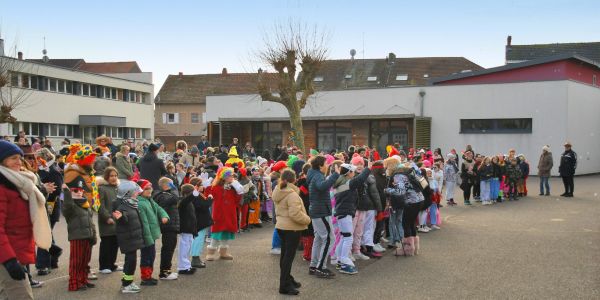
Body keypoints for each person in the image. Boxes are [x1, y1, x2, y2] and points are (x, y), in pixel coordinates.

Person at [0, 141, 52, 299]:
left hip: (17, 250)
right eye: (13, 158)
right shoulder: (3, 187)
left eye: (20, 158)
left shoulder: (20, 181)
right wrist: (9, 260)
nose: (19, 162)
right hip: (7, 255)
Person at [273, 169, 310, 295]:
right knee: (288, 257)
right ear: (294, 180)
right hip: (292, 228)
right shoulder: (292, 194)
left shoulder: (279, 190)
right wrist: (307, 220)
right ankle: (284, 285)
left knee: (285, 256)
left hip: (282, 226)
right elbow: (295, 214)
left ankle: (287, 279)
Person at [333, 162, 372, 275]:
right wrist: (368, 168)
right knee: (348, 238)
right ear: (348, 173)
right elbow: (359, 180)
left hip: (343, 213)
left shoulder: (341, 183)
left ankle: (340, 259)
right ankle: (344, 260)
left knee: (344, 237)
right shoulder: (345, 184)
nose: (354, 173)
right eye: (352, 171)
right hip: (345, 213)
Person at [307, 156, 340, 278]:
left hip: (318, 211)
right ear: (320, 165)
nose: (328, 166)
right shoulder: (318, 175)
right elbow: (322, 186)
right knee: (329, 238)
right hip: (320, 212)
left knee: (319, 239)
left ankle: (314, 265)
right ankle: (321, 267)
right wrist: (335, 175)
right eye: (326, 163)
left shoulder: (314, 174)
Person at [62, 179, 97, 292]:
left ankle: (83, 280)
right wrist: (66, 193)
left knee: (84, 261)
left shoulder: (85, 204)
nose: (78, 192)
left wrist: (93, 235)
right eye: (75, 190)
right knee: (76, 262)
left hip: (87, 236)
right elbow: (67, 206)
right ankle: (74, 283)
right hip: (77, 237)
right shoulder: (70, 205)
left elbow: (91, 223)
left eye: (80, 190)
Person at [113, 181, 145, 294]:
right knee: (131, 261)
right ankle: (127, 284)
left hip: (132, 238)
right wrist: (121, 217)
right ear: (128, 193)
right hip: (128, 238)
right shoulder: (122, 206)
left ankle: (127, 281)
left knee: (130, 261)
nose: (137, 194)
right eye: (135, 192)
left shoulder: (131, 203)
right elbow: (124, 221)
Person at [204, 167, 243, 261]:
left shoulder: (232, 188)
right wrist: (206, 187)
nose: (232, 177)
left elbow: (237, 201)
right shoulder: (216, 187)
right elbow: (208, 195)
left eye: (232, 175)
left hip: (230, 213)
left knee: (226, 233)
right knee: (217, 234)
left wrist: (239, 192)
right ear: (224, 177)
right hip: (219, 214)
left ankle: (223, 252)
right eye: (229, 176)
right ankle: (210, 252)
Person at [35, 148, 63, 276]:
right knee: (46, 234)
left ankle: (42, 265)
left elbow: (57, 190)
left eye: (38, 158)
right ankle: (54, 254)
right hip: (40, 204)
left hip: (51, 205)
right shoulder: (38, 170)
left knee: (44, 234)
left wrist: (43, 189)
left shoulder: (54, 170)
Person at [136, 179, 169, 286]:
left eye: (150, 188)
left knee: (151, 255)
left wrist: (164, 215)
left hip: (151, 235)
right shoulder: (141, 203)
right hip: (147, 236)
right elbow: (144, 224)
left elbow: (159, 209)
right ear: (140, 190)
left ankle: (149, 276)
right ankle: (145, 278)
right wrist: (148, 238)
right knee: (147, 256)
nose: (149, 190)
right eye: (146, 188)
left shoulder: (149, 200)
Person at [154, 177, 180, 280]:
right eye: (171, 184)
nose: (173, 186)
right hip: (168, 226)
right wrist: (174, 189)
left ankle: (167, 270)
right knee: (168, 249)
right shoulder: (162, 196)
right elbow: (174, 199)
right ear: (166, 185)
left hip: (171, 225)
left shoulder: (166, 195)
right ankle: (164, 272)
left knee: (170, 248)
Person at [97, 167, 121, 274]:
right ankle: (104, 266)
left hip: (117, 220)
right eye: (111, 176)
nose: (114, 178)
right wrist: (107, 217)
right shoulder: (102, 188)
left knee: (115, 243)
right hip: (107, 220)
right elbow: (100, 206)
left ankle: (112, 264)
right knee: (106, 243)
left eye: (115, 176)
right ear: (107, 177)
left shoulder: (117, 188)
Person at [189, 177, 213, 269]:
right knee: (198, 240)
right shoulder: (195, 195)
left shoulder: (197, 194)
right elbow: (202, 206)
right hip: (199, 221)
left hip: (200, 221)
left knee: (199, 240)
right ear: (196, 186)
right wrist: (210, 199)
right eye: (201, 185)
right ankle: (195, 259)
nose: (203, 186)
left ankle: (197, 258)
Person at [177, 184, 199, 275]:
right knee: (184, 248)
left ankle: (186, 265)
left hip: (190, 229)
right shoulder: (182, 201)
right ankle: (183, 267)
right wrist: (194, 193)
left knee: (187, 248)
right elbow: (187, 200)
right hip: (185, 228)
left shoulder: (189, 202)